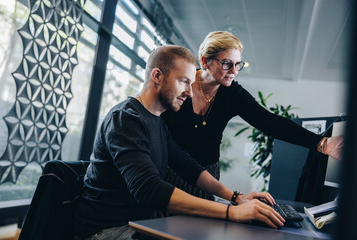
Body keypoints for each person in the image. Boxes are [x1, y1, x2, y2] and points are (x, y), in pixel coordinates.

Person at [74, 45, 285, 240]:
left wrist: (236, 198)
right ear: (157, 76)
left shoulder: (156, 120)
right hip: (105, 231)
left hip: (139, 224)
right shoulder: (125, 119)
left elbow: (188, 167)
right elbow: (149, 189)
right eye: (184, 81)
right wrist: (231, 212)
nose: (190, 92)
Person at [162, 31, 344, 200]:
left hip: (206, 178)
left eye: (237, 64)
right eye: (226, 63)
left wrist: (322, 143)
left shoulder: (232, 94)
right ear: (205, 61)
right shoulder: (181, 84)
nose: (233, 71)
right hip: (168, 172)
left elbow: (270, 122)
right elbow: (156, 132)